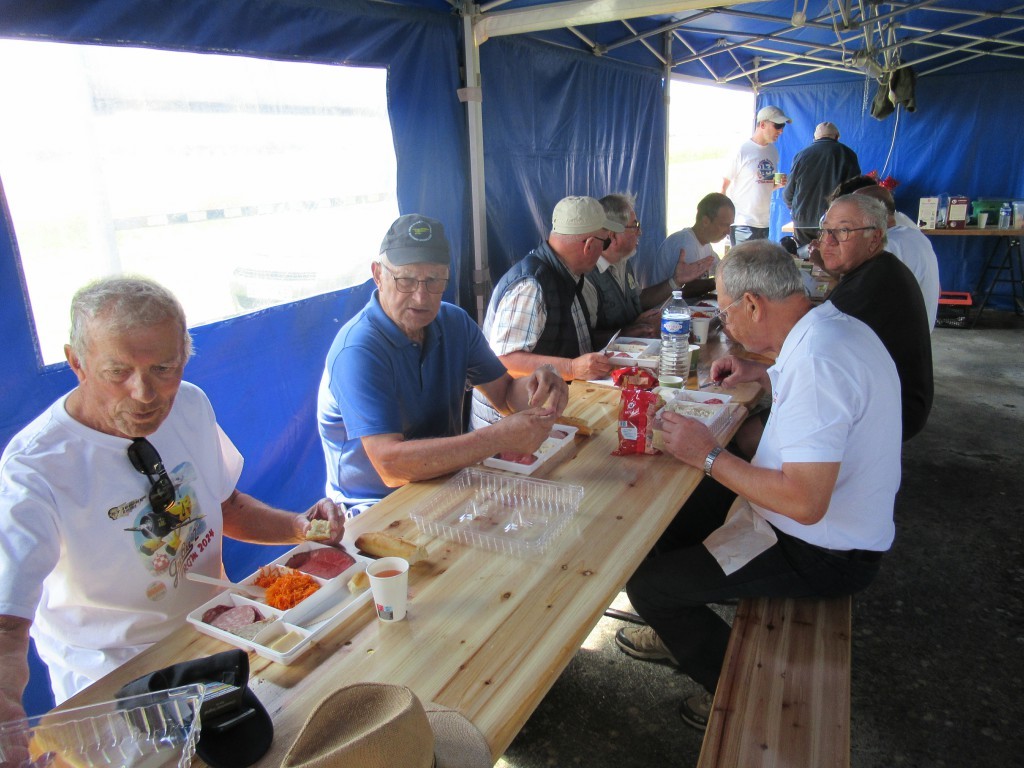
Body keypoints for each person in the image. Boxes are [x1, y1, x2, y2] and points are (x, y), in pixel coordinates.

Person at [0, 277, 346, 720]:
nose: (144, 394)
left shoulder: (189, 405)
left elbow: (226, 506)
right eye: (117, 372)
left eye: (164, 369)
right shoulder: (35, 469)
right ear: (77, 363)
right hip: (116, 685)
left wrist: (299, 528)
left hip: (220, 638)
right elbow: (8, 624)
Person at [614, 240, 901, 731]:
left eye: (725, 312)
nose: (725, 324)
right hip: (813, 523)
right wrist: (764, 375)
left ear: (752, 304)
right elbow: (823, 403)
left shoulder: (819, 364)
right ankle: (678, 625)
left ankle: (744, 694)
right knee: (670, 518)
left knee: (649, 589)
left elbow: (805, 503)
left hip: (822, 550)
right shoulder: (832, 329)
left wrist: (707, 454)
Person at [318, 214, 567, 509]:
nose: (421, 297)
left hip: (447, 488)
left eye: (434, 280)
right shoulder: (358, 350)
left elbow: (505, 396)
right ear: (378, 275)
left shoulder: (454, 323)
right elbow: (390, 466)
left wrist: (539, 386)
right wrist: (496, 438)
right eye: (406, 280)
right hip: (373, 508)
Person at [471, 196, 621, 427]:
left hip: (541, 413)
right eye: (606, 242)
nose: (604, 250)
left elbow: (567, 338)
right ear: (589, 245)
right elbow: (504, 360)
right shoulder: (532, 285)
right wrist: (572, 368)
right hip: (506, 427)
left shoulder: (564, 274)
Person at [816, 194, 934, 439]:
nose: (828, 240)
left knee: (752, 433)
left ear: (874, 238)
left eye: (843, 231)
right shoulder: (878, 268)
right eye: (825, 229)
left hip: (892, 411)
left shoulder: (872, 285)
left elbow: (813, 345)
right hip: (890, 399)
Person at [852, 184, 940, 330]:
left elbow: (857, 295)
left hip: (900, 335)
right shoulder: (912, 234)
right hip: (919, 330)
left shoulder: (887, 246)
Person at [581, 193, 662, 345]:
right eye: (635, 226)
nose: (640, 232)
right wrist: (628, 331)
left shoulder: (623, 262)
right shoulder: (587, 276)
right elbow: (584, 340)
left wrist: (676, 281)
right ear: (612, 235)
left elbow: (637, 301)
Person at [634, 193, 734, 306]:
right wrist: (719, 281)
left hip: (685, 309)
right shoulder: (685, 244)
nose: (728, 231)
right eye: (724, 225)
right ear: (705, 221)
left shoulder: (705, 245)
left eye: (730, 225)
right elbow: (686, 290)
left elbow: (722, 270)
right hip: (666, 312)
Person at [721, 105, 791, 245]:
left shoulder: (773, 151)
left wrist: (777, 184)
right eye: (777, 125)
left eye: (782, 126)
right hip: (743, 223)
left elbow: (763, 184)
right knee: (743, 260)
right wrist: (722, 220)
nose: (781, 130)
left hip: (764, 223)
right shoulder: (742, 149)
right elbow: (723, 187)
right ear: (762, 124)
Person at [783, 121, 860, 246]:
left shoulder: (801, 155)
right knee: (832, 255)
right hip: (834, 221)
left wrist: (795, 209)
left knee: (805, 255)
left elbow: (788, 193)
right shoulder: (848, 154)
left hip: (803, 222)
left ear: (815, 138)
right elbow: (855, 190)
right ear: (837, 137)